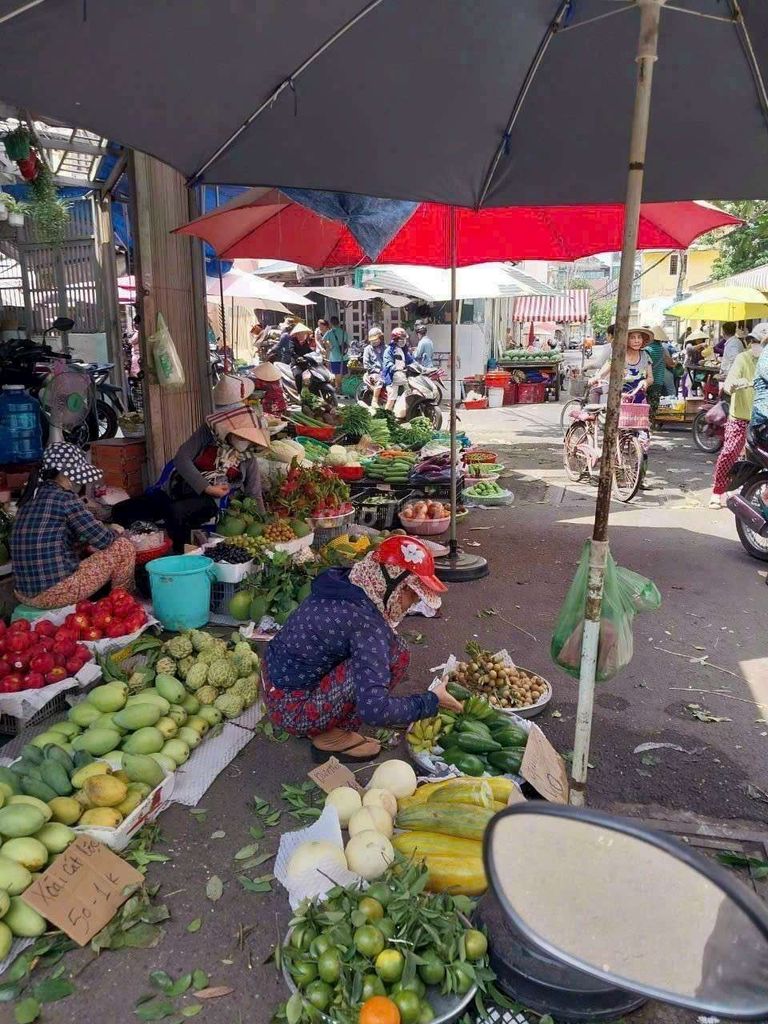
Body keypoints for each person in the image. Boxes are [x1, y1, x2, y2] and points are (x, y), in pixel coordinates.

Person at [262, 536, 462, 761]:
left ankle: (331, 725)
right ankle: (331, 737)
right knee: (393, 654)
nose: (414, 603)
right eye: (413, 594)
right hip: (293, 710)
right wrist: (431, 701)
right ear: (394, 585)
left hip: (276, 685)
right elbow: (374, 710)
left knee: (395, 648)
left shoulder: (349, 584)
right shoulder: (367, 624)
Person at [112, 378, 270, 551]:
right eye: (238, 435)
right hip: (179, 489)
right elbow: (181, 459)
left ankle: (182, 558)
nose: (242, 440)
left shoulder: (248, 457)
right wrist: (207, 487)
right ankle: (133, 551)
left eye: (246, 437)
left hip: (213, 502)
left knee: (176, 512)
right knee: (121, 510)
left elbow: (254, 494)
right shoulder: (208, 432)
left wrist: (264, 524)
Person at [11, 443, 137, 609]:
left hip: (23, 592)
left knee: (81, 550)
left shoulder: (30, 496)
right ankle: (122, 606)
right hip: (53, 593)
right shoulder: (65, 498)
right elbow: (103, 540)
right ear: (64, 474)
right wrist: (115, 529)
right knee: (123, 547)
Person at [709, 323, 768, 508]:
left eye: (759, 341)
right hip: (741, 416)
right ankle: (717, 491)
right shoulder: (743, 359)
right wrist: (736, 384)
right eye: (753, 341)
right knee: (729, 452)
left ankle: (763, 493)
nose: (755, 345)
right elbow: (728, 385)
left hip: (762, 418)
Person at [644, 323, 676, 416]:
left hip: (647, 380)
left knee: (644, 403)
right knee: (654, 404)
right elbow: (669, 363)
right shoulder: (661, 349)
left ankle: (645, 422)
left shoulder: (647, 349)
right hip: (658, 380)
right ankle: (652, 423)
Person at [382, 327, 413, 412]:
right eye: (401, 339)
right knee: (392, 397)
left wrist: (419, 367)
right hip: (391, 377)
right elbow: (387, 362)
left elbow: (410, 360)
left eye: (404, 339)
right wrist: (395, 367)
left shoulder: (404, 350)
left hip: (403, 375)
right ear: (395, 340)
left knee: (410, 393)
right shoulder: (389, 350)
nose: (403, 341)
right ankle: (386, 415)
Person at [362, 326, 386, 407]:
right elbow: (366, 364)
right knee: (380, 380)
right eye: (372, 340)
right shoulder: (367, 349)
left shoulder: (385, 348)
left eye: (376, 339)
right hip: (373, 373)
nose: (374, 342)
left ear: (381, 338)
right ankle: (374, 400)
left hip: (385, 371)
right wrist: (377, 370)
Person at [683, 328, 709, 396]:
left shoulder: (703, 347)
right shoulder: (689, 345)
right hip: (690, 368)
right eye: (698, 339)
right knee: (692, 382)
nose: (700, 341)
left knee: (703, 378)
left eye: (701, 339)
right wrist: (701, 345)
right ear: (694, 340)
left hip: (699, 368)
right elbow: (690, 349)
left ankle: (703, 392)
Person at [324, 315, 347, 386]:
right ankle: (342, 387)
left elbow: (324, 340)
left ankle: (338, 387)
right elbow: (346, 343)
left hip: (334, 357)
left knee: (337, 374)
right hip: (344, 357)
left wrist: (329, 346)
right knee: (343, 374)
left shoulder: (329, 332)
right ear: (338, 323)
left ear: (331, 323)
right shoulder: (343, 332)